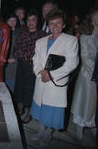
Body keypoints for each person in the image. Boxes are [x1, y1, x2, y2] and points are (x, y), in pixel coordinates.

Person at [30, 9, 79, 147]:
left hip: (56, 83)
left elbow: (72, 63)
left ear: (64, 25)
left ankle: (48, 133)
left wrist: (51, 75)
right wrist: (41, 72)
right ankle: (41, 130)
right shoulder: (40, 41)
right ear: (48, 25)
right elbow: (36, 59)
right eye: (52, 23)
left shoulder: (71, 40)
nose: (55, 26)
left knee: (52, 111)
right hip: (41, 81)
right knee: (41, 108)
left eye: (58, 23)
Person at [13, 10, 47, 123]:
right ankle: (20, 109)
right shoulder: (22, 33)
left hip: (34, 69)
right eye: (28, 20)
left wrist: (27, 56)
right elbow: (16, 51)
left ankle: (30, 113)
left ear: (37, 21)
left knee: (32, 92)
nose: (30, 22)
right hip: (22, 67)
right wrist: (28, 55)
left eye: (33, 20)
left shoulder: (43, 35)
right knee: (19, 89)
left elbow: (42, 54)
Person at [70, 8, 98, 140]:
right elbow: (86, 58)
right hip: (88, 76)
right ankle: (80, 127)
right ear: (91, 20)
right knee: (85, 102)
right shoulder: (86, 37)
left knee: (95, 103)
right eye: (96, 16)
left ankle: (93, 125)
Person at [5, 13, 21, 92]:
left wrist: (15, 58)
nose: (12, 22)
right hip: (3, 62)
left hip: (15, 64)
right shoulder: (2, 31)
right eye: (10, 20)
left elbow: (23, 49)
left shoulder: (20, 33)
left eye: (14, 20)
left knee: (12, 88)